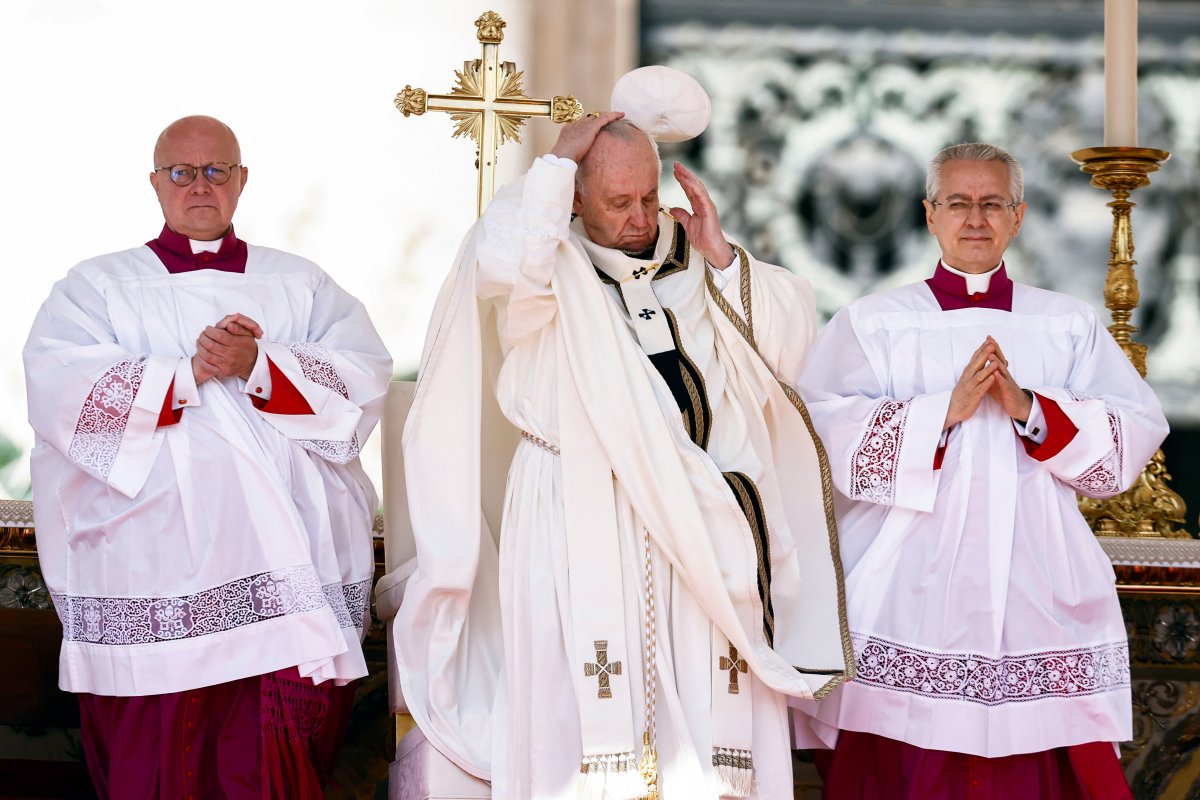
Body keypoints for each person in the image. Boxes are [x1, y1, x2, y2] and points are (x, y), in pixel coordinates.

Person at [388, 77, 853, 800]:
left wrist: (723, 258)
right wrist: (552, 165)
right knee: (584, 704)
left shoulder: (693, 257)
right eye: (617, 202)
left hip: (697, 520)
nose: (640, 218)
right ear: (573, 195)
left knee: (697, 714)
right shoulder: (547, 264)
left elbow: (785, 348)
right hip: (574, 512)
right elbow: (498, 263)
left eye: (646, 196)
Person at [23, 115, 393, 798]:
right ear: (157, 183)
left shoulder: (300, 282)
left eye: (216, 170)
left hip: (289, 572)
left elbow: (364, 379)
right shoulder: (97, 285)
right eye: (183, 172)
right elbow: (59, 391)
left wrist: (261, 364)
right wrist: (185, 374)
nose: (200, 185)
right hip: (155, 568)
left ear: (242, 179)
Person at [796, 142, 1168, 799]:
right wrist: (944, 412)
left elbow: (1129, 435)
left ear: (1018, 217)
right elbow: (825, 430)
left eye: (992, 203)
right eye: (959, 203)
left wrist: (1028, 409)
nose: (976, 218)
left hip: (1037, 571)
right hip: (915, 576)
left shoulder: (1067, 324)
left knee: (1046, 749)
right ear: (929, 215)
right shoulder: (876, 323)